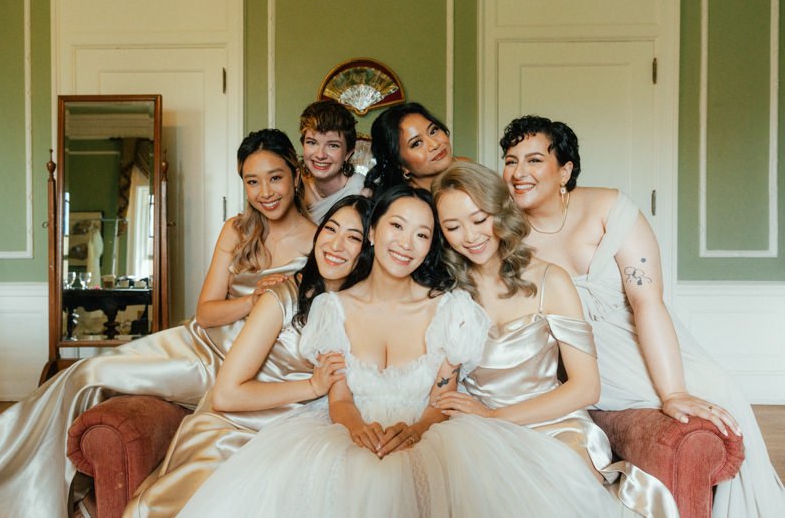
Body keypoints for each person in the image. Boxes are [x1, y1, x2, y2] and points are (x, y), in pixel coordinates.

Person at [179, 185, 619, 518]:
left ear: (432, 245)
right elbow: (339, 397)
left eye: (423, 234)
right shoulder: (331, 309)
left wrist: (420, 428)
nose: (406, 243)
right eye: (396, 226)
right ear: (372, 231)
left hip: (435, 435)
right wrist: (356, 429)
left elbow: (442, 398)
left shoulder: (452, 308)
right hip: (347, 433)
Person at [0, 129, 315, 518]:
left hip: (239, 365)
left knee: (88, 376)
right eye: (252, 181)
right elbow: (207, 311)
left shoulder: (317, 244)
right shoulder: (237, 230)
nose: (265, 192)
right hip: (195, 344)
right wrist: (253, 299)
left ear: (296, 173)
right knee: (83, 374)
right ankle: (11, 478)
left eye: (275, 177)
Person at [499, 115, 785, 517]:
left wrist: (673, 393)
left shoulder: (608, 208)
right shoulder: (501, 231)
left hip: (645, 337)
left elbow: (647, 301)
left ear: (565, 170)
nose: (518, 173)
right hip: (584, 357)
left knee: (719, 390)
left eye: (533, 160)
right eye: (510, 161)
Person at [432, 161, 679, 516]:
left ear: (500, 210)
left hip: (554, 425)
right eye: (453, 227)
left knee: (556, 487)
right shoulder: (448, 292)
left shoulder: (551, 279)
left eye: (479, 218)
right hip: (479, 429)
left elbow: (585, 387)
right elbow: (443, 386)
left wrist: (496, 415)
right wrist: (475, 418)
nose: (470, 236)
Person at [125, 195, 372, 517]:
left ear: (369, 249)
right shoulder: (281, 297)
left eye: (353, 237)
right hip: (234, 431)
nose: (336, 245)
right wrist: (311, 387)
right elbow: (226, 395)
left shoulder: (360, 308)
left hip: (300, 432)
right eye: (331, 229)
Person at [365, 102, 470, 194]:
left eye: (433, 131)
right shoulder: (409, 205)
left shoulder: (466, 168)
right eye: (416, 143)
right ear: (400, 165)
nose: (434, 145)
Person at [298, 100, 366, 223]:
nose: (320, 155)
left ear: (348, 154)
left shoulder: (361, 190)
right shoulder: (294, 186)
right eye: (312, 143)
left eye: (333, 145)